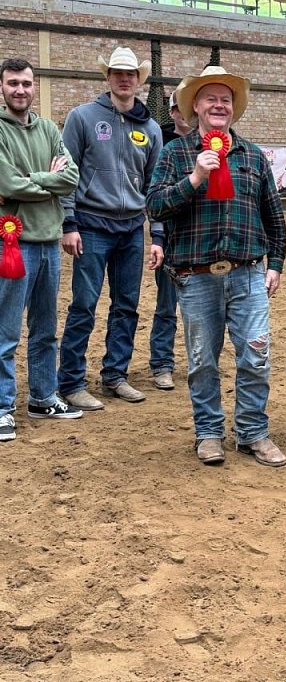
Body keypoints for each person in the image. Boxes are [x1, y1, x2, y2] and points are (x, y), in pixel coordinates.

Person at [146, 64, 286, 468]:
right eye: (211, 99)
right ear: (196, 106)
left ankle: (252, 432)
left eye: (226, 99)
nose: (219, 105)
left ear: (233, 108)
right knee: (202, 361)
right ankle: (208, 432)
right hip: (196, 278)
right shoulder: (175, 154)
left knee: (256, 356)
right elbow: (155, 206)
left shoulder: (254, 156)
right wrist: (194, 178)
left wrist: (275, 263)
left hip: (248, 274)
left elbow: (274, 217)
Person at [58, 46, 164, 410]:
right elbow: (66, 173)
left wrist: (157, 234)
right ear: (107, 77)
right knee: (84, 305)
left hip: (132, 229)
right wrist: (68, 222)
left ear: (139, 79)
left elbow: (155, 186)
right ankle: (71, 381)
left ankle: (115, 375)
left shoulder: (150, 128)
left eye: (130, 73)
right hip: (91, 227)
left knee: (127, 305)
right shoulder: (82, 118)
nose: (124, 79)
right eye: (118, 72)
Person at [0, 58, 82, 442]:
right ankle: (2, 407)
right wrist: (48, 181)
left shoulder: (49, 128)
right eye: (13, 83)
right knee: (6, 331)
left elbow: (71, 177)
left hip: (49, 242)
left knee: (46, 328)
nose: (20, 90)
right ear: (2, 87)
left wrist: (31, 179)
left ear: (34, 87)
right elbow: (7, 184)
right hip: (13, 245)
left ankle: (43, 397)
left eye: (26, 83)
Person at [149, 90, 191, 390]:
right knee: (166, 305)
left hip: (200, 237)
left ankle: (199, 362)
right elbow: (155, 197)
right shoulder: (161, 145)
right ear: (173, 112)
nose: (185, 114)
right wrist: (158, 236)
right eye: (179, 108)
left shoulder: (213, 144)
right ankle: (162, 363)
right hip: (169, 236)